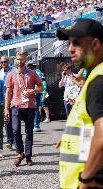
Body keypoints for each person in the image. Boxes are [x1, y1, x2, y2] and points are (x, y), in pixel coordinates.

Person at [56, 18, 103, 189]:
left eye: (76, 42)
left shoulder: (99, 81)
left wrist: (86, 179)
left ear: (95, 44)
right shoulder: (95, 75)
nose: (70, 48)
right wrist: (69, 138)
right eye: (69, 43)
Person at [5, 51, 43, 167]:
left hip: (29, 106)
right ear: (15, 60)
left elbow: (42, 87)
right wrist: (6, 109)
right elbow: (8, 93)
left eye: (22, 59)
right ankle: (20, 152)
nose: (20, 62)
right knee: (15, 130)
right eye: (18, 59)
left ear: (25, 60)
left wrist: (33, 90)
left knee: (29, 132)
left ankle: (28, 156)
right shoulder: (11, 74)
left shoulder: (32, 73)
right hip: (16, 106)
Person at [0, 55, 14, 149]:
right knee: (7, 120)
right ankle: (10, 141)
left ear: (9, 61)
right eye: (2, 62)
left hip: (13, 98)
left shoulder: (13, 70)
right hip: (3, 99)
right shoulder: (0, 72)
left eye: (5, 61)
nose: (3, 64)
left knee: (14, 120)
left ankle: (14, 140)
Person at [27, 60, 45, 132]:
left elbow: (42, 83)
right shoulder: (37, 71)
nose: (28, 67)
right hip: (35, 92)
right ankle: (35, 125)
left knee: (35, 108)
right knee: (34, 108)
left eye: (29, 66)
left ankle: (36, 125)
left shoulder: (35, 72)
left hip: (36, 92)